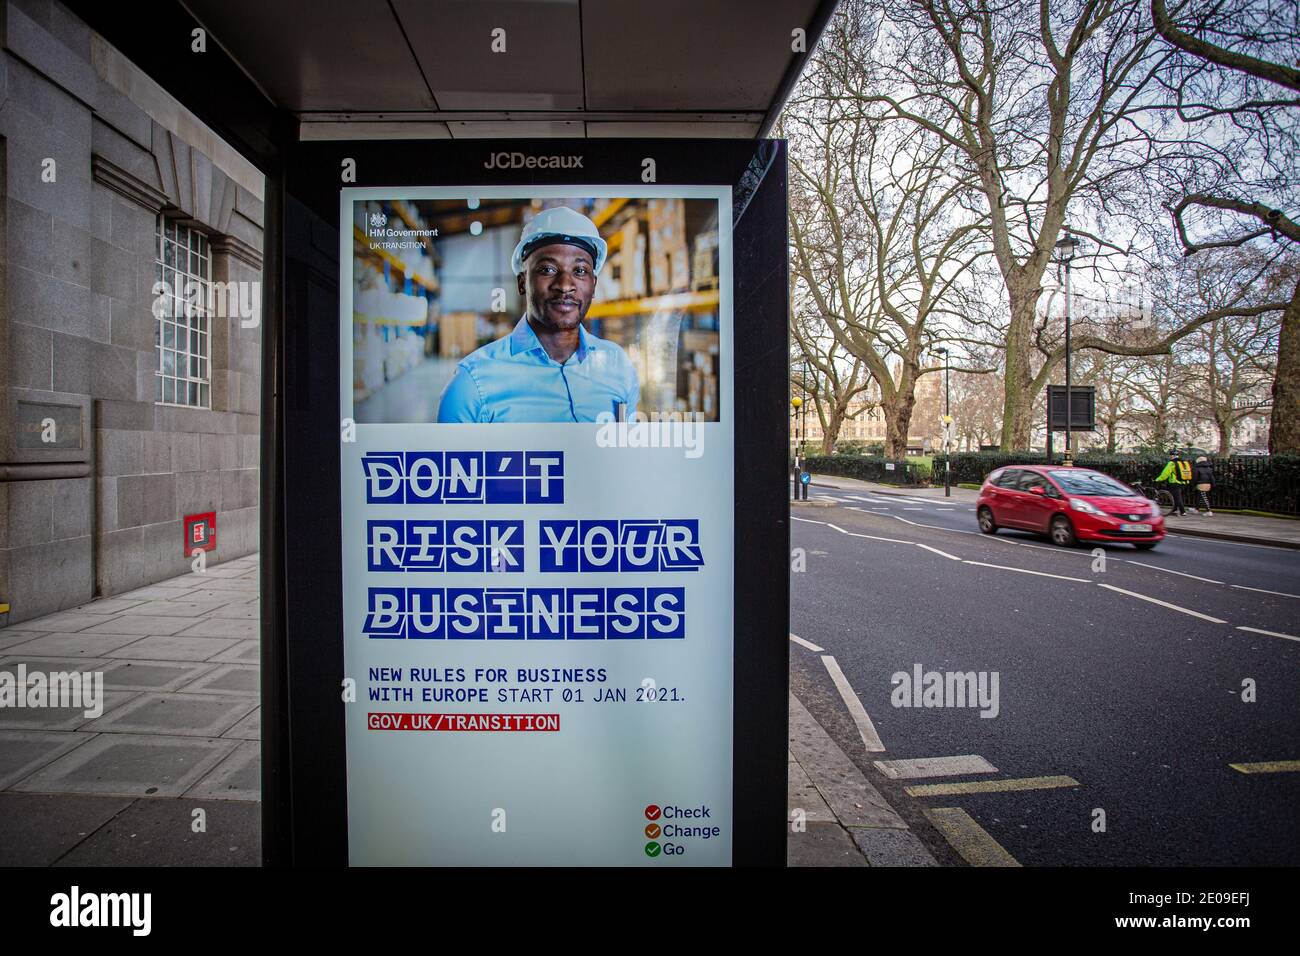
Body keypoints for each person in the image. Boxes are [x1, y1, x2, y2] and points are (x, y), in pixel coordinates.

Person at [437, 206, 639, 423]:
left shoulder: (618, 365)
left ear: (594, 284)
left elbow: (624, 453)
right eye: (548, 270)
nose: (565, 286)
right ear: (522, 282)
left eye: (580, 271)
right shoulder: (472, 385)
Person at [1155, 449, 1191, 516]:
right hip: (1184, 482)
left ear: (1172, 456)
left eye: (1170, 455)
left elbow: (1165, 473)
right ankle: (1174, 510)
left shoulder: (1172, 463)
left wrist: (1158, 479)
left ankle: (1182, 511)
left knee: (1177, 497)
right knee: (1175, 496)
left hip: (1175, 482)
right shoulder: (1184, 462)